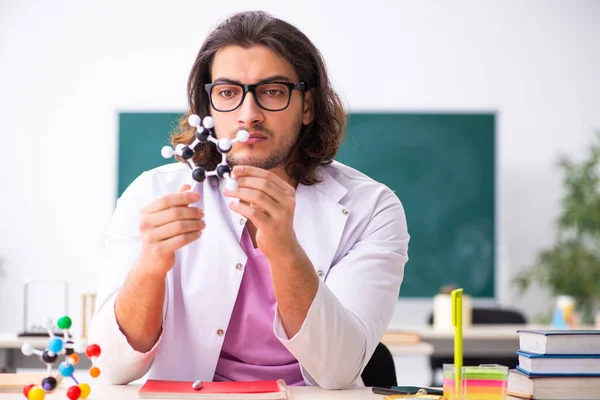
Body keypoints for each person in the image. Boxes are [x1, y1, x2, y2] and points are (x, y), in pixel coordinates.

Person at [88, 10, 409, 389]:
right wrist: (150, 266)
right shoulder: (152, 195)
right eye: (228, 92)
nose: (248, 115)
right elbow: (111, 367)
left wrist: (285, 250)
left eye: (273, 92)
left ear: (307, 106)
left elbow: (338, 370)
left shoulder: (371, 208)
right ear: (207, 108)